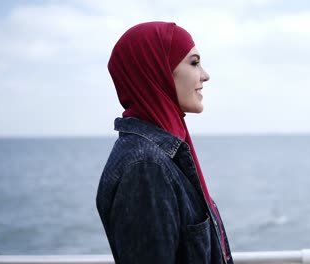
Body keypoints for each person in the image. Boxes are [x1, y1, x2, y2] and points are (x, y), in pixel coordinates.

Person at [96, 21, 233, 264]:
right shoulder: (146, 168)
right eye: (194, 62)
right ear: (156, 71)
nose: (205, 75)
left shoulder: (160, 155)